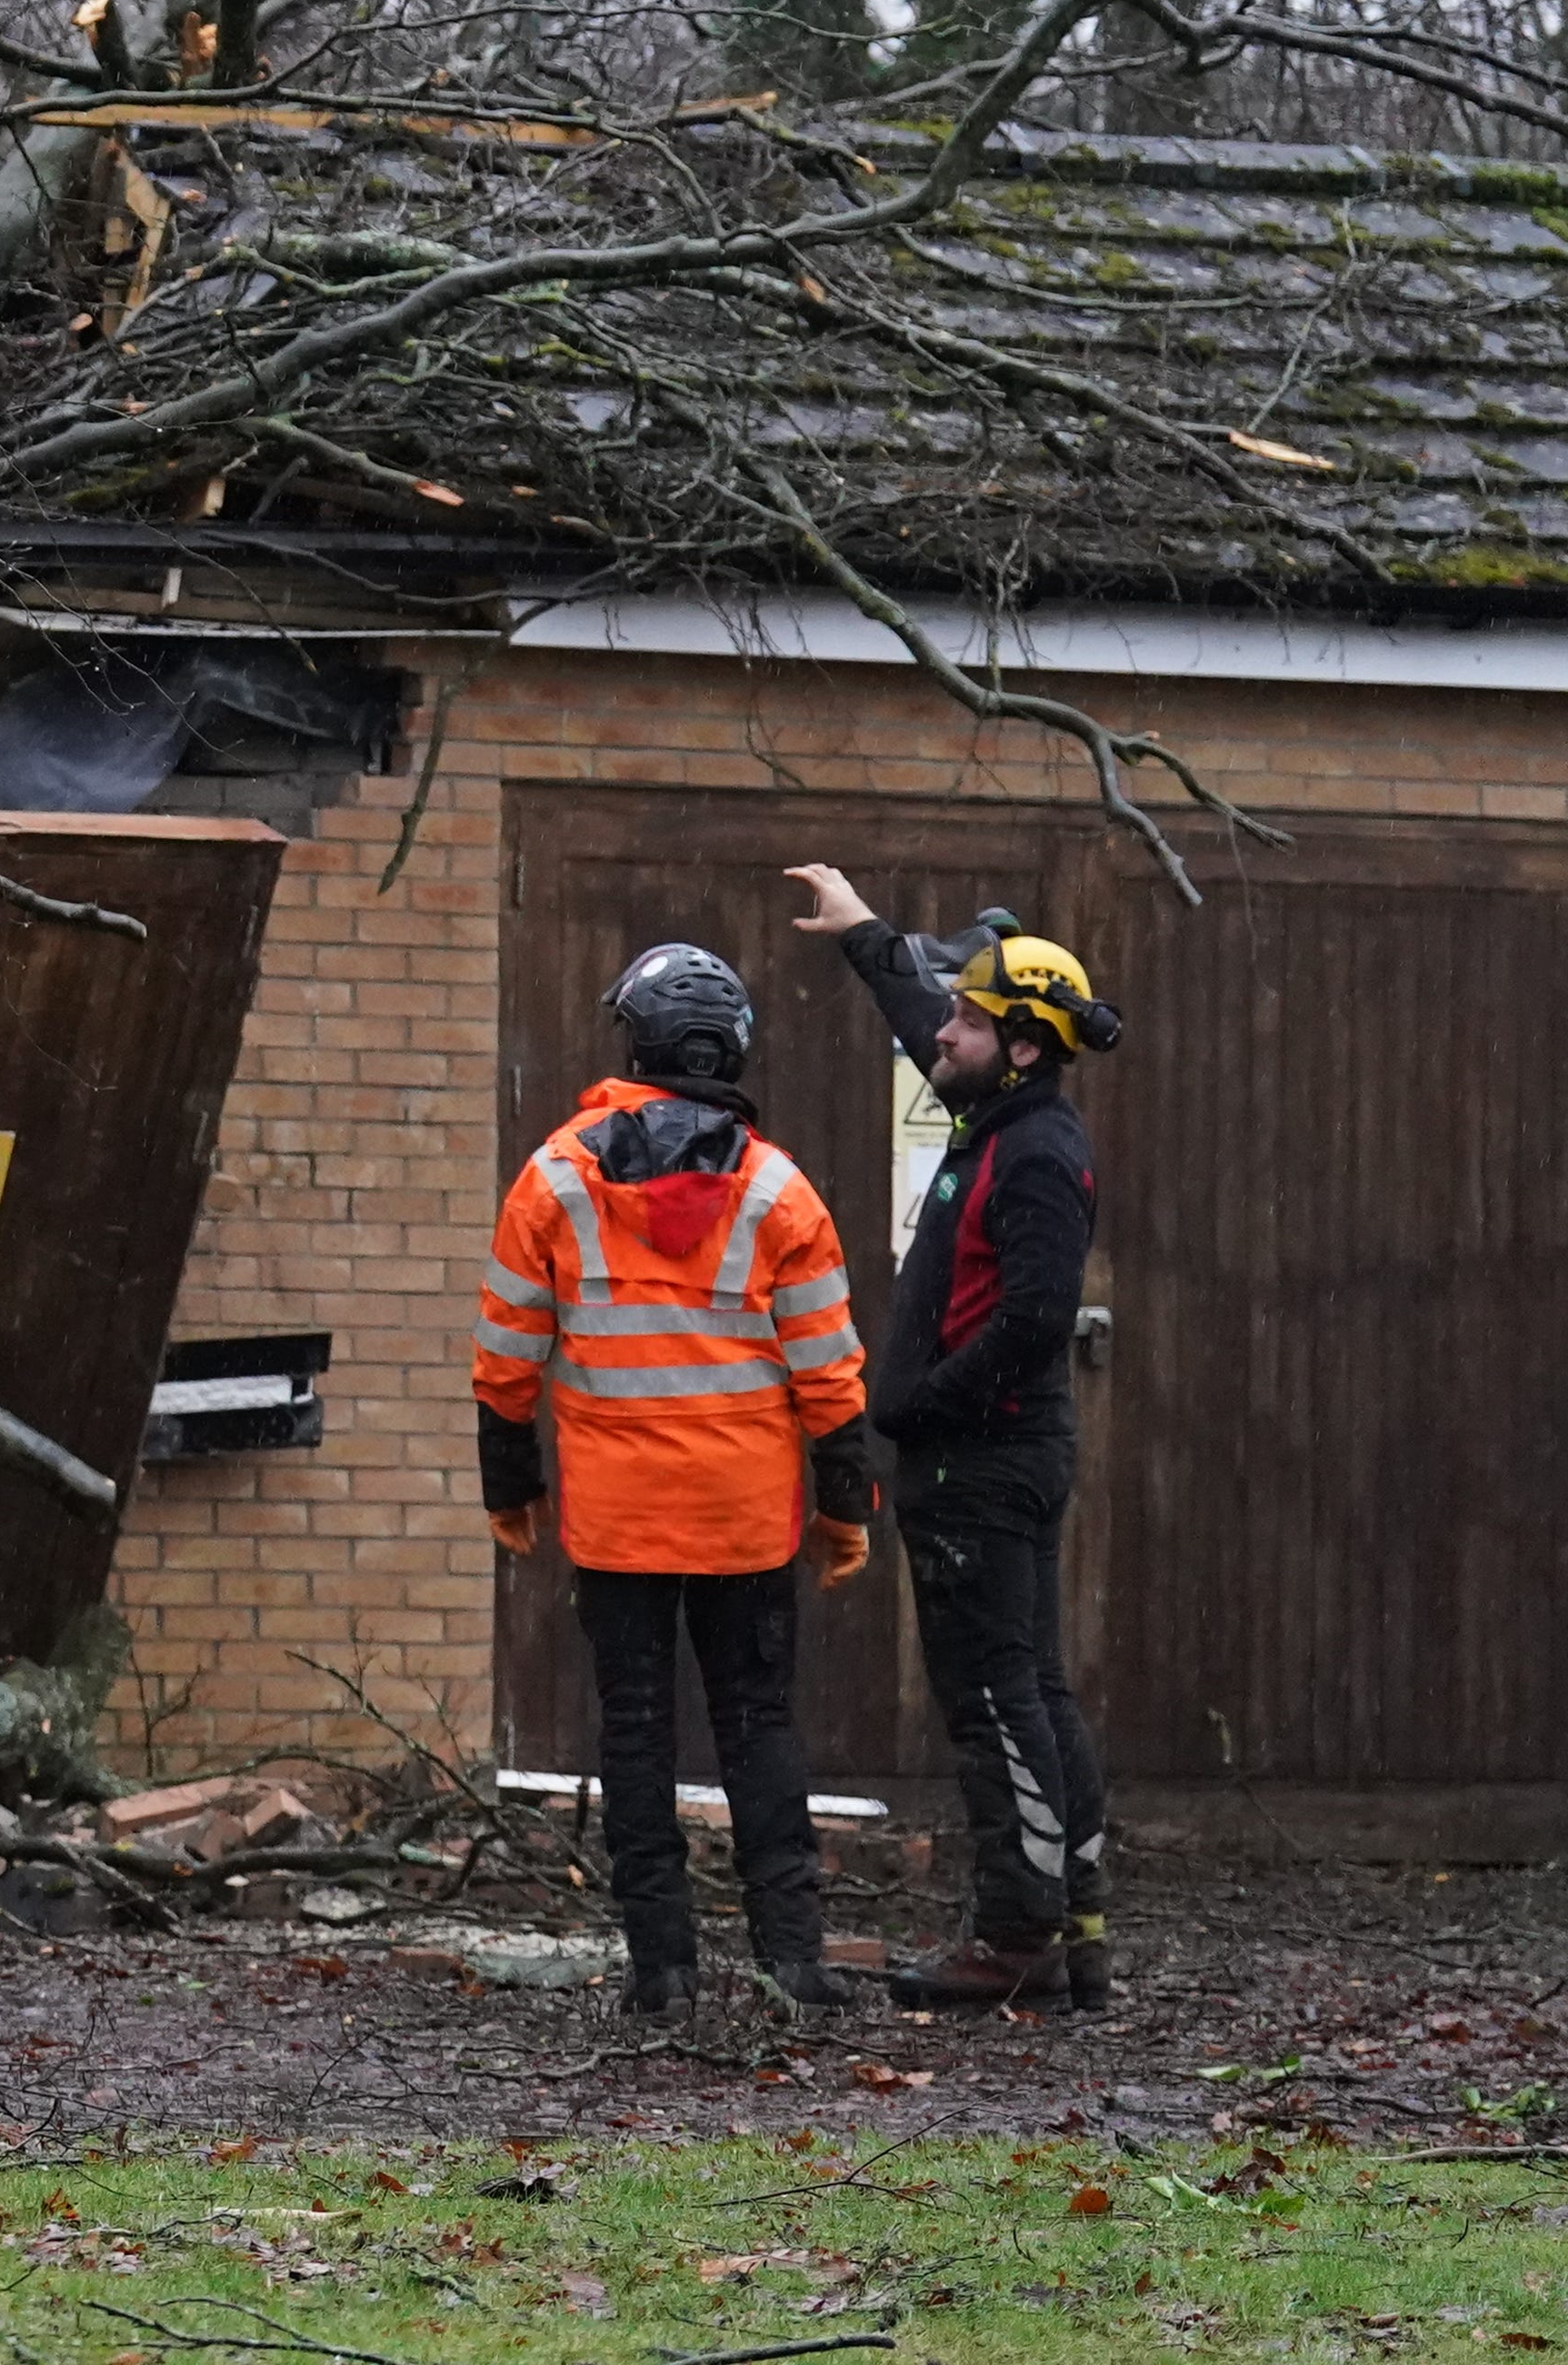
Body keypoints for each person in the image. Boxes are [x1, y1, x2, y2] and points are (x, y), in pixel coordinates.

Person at [475, 939, 879, 2023]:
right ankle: (791, 1963)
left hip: (615, 1524)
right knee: (759, 1726)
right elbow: (828, 1372)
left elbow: (506, 1356)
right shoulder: (781, 1190)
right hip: (746, 1518)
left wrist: (505, 1487)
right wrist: (847, 1510)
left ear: (637, 1042)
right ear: (731, 1047)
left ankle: (662, 1972)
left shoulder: (556, 1176)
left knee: (636, 1735)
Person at [785, 864, 1118, 2012]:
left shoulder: (1031, 1153)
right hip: (990, 1459)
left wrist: (915, 1408)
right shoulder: (1003, 1113)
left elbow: (1033, 1321)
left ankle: (1019, 1934)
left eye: (973, 1020)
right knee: (1032, 1685)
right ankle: (1074, 1922)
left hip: (982, 1463)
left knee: (991, 1698)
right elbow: (925, 1016)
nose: (949, 1028)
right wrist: (865, 933)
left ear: (1021, 1046)